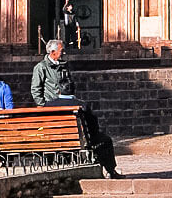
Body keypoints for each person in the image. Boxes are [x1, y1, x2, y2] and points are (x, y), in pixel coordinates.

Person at [32, 39, 121, 178]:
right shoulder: (41, 67)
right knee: (102, 139)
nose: (64, 53)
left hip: (62, 109)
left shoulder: (64, 66)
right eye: (61, 51)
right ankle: (110, 170)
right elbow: (36, 89)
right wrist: (44, 106)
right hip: (54, 111)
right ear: (53, 52)